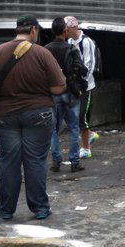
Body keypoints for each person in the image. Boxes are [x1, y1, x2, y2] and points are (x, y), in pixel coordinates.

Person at [0, 15, 66, 221]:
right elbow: (58, 87)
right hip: (38, 113)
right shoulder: (42, 53)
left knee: (9, 160)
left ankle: (6, 209)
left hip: (5, 114)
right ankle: (40, 208)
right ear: (34, 30)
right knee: (35, 160)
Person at [45, 17, 84, 173]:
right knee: (74, 127)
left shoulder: (46, 50)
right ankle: (74, 162)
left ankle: (56, 161)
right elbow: (80, 68)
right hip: (71, 92)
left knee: (54, 129)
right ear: (65, 31)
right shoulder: (72, 49)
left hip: (53, 94)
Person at [65, 16, 100, 159]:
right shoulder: (69, 41)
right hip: (74, 84)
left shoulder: (86, 41)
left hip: (86, 85)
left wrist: (83, 81)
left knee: (82, 116)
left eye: (67, 29)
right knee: (73, 115)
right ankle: (90, 136)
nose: (66, 32)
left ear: (74, 28)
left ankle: (86, 148)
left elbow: (90, 64)